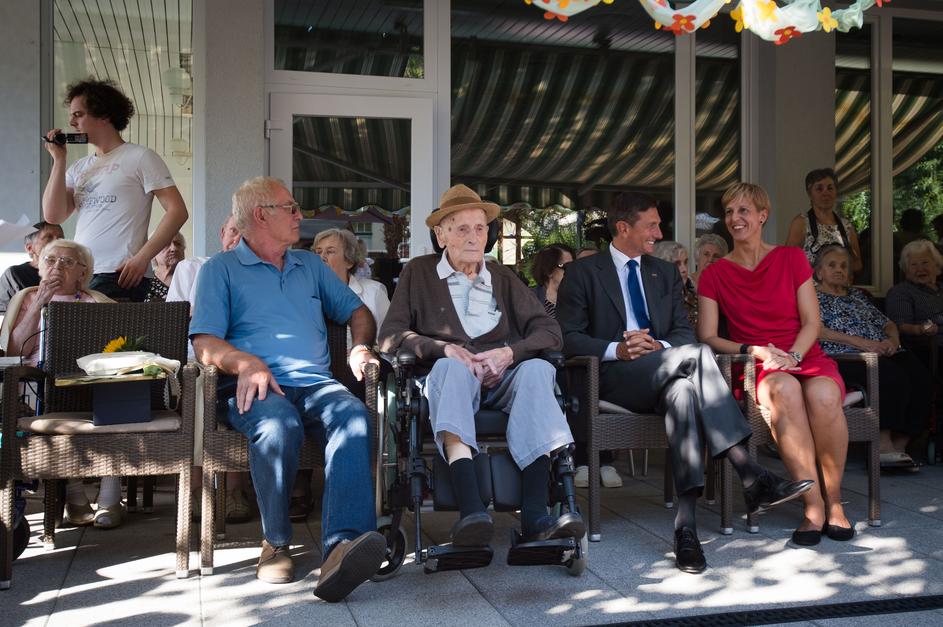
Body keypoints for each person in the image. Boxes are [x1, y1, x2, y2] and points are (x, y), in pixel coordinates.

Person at [556, 191, 812, 573]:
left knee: (684, 394)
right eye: (651, 226)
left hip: (670, 371)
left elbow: (682, 332)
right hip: (614, 377)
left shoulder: (662, 273)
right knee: (698, 357)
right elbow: (567, 337)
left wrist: (658, 346)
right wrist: (618, 349)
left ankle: (685, 528)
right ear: (623, 228)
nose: (659, 234)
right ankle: (748, 470)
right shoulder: (583, 273)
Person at [190, 176, 384, 600]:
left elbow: (358, 312)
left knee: (354, 416)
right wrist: (246, 362)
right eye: (291, 208)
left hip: (315, 384)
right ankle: (276, 542)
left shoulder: (309, 266)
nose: (300, 215)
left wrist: (360, 346)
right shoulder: (220, 269)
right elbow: (204, 342)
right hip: (250, 387)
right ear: (261, 215)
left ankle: (343, 548)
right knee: (278, 425)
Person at [379, 184, 585, 552]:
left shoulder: (501, 276)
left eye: (480, 228)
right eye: (462, 229)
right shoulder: (419, 273)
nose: (474, 237)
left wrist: (509, 353)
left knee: (539, 372)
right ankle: (472, 511)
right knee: (451, 370)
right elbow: (390, 336)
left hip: (502, 378)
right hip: (450, 378)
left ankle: (535, 516)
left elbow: (550, 331)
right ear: (441, 235)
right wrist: (442, 349)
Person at [698, 182, 853, 548]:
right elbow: (708, 335)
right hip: (759, 363)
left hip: (803, 354)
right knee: (784, 390)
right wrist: (755, 350)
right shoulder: (715, 273)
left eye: (744, 210)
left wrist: (794, 355)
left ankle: (834, 502)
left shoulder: (791, 258)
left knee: (824, 397)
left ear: (762, 216)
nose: (735, 218)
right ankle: (813, 506)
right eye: (729, 212)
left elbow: (812, 322)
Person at [0, 240, 124, 529]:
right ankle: (75, 495)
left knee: (117, 400)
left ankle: (109, 498)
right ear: (40, 267)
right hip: (36, 385)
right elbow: (12, 350)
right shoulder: (26, 298)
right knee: (50, 401)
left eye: (67, 262)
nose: (57, 266)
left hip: (88, 381)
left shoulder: (96, 302)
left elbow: (115, 351)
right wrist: (40, 303)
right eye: (51, 260)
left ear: (83, 273)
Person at [42, 78, 188, 301]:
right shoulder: (79, 167)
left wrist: (143, 257)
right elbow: (53, 215)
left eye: (79, 114)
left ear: (104, 115)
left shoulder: (140, 157)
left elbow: (178, 211)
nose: (71, 122)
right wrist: (59, 160)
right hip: (81, 273)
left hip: (119, 272)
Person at [814, 244, 930, 469]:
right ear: (819, 272)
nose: (839, 270)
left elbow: (888, 323)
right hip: (845, 355)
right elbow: (819, 331)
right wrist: (865, 344)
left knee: (921, 377)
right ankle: (882, 444)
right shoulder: (813, 296)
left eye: (844, 266)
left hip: (881, 350)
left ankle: (901, 444)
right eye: (832, 265)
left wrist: (893, 342)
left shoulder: (857, 295)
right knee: (890, 376)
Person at [165, 217, 249, 524]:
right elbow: (173, 319)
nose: (238, 238)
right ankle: (197, 486)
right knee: (198, 383)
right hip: (196, 358)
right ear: (222, 233)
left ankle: (234, 489)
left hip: (241, 358)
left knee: (245, 383)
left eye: (246, 233)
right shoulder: (192, 268)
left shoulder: (259, 274)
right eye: (233, 231)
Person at [785, 168, 862, 273]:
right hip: (811, 283)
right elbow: (787, 261)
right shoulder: (802, 223)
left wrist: (839, 266)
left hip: (841, 283)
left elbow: (858, 264)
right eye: (819, 189)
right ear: (810, 194)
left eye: (830, 188)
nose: (825, 193)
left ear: (836, 192)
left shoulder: (847, 226)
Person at [885, 239, 943, 351]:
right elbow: (899, 326)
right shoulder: (901, 292)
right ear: (906, 270)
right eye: (913, 264)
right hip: (930, 349)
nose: (920, 269)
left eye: (925, 263)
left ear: (936, 265)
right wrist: (920, 329)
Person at [0, 221, 64, 313]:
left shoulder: (70, 272)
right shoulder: (15, 274)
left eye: (61, 238)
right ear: (29, 248)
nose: (57, 242)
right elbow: (3, 314)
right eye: (49, 237)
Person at [652, 240, 697, 327]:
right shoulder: (653, 297)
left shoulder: (693, 293)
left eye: (685, 262)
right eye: (677, 264)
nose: (684, 269)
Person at [530, 243, 575, 318]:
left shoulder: (579, 300)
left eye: (574, 266)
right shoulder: (528, 300)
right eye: (567, 267)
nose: (573, 271)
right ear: (549, 270)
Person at [146, 232, 186, 302]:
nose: (174, 249)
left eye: (178, 244)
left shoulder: (190, 279)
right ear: (153, 252)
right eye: (166, 244)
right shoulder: (145, 281)